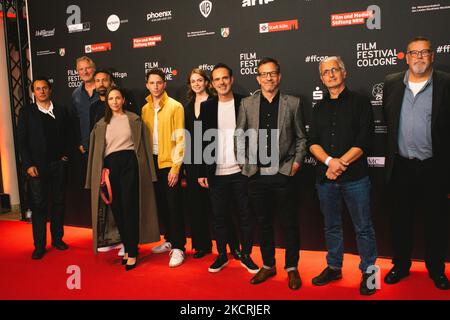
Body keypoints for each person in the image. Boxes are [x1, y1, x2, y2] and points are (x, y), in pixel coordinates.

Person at [383, 36, 450, 290]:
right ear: (406, 57)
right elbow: (389, 122)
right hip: (401, 167)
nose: (419, 57)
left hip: (434, 167)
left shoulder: (445, 83)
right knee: (401, 222)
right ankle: (401, 266)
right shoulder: (391, 83)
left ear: (432, 56)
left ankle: (436, 270)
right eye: (414, 53)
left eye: (424, 52)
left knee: (436, 223)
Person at [308, 56, 377, 295]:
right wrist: (329, 161)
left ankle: (370, 274)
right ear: (321, 78)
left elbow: (364, 139)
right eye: (326, 72)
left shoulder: (360, 102)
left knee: (364, 227)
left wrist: (340, 163)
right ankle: (334, 266)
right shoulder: (318, 108)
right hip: (326, 179)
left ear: (344, 73)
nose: (331, 75)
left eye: (335, 70)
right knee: (331, 226)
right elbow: (312, 143)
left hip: (356, 178)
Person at [236, 57, 307, 290]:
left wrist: (295, 164)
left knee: (289, 223)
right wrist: (244, 164)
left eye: (273, 73)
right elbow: (240, 137)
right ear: (258, 78)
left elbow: (301, 138)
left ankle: (291, 268)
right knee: (263, 222)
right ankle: (268, 265)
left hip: (283, 173)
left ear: (279, 77)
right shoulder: (247, 104)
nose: (269, 78)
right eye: (264, 74)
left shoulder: (293, 103)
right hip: (256, 176)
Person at [85, 87, 160, 271]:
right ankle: (127, 247)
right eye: (111, 98)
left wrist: (150, 172)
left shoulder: (133, 119)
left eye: (118, 98)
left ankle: (133, 250)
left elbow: (144, 147)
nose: (115, 101)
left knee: (130, 207)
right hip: (110, 168)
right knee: (117, 209)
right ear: (107, 102)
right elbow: (96, 153)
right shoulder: (101, 124)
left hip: (130, 165)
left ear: (123, 100)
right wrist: (99, 173)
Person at [198, 63, 259, 274]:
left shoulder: (245, 102)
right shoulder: (206, 106)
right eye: (217, 79)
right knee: (219, 216)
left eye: (225, 78)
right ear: (212, 83)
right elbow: (200, 139)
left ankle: (247, 255)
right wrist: (201, 172)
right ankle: (222, 255)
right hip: (217, 172)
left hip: (241, 171)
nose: (221, 82)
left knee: (245, 216)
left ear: (231, 79)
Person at [18, 77, 72, 259]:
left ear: (50, 90)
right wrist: (28, 165)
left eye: (44, 88)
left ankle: (57, 239)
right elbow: (22, 142)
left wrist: (65, 156)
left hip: (58, 165)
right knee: (39, 206)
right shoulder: (26, 112)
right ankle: (39, 245)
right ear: (34, 92)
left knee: (58, 204)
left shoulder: (61, 110)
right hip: (37, 168)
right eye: (38, 89)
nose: (41, 91)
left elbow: (68, 136)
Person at [141, 68, 187, 267]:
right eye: (152, 83)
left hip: (170, 163)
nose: (156, 86)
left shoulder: (176, 107)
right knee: (162, 205)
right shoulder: (145, 109)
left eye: (159, 82)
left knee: (175, 206)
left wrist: (176, 168)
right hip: (152, 163)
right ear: (147, 85)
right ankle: (169, 240)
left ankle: (179, 247)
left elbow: (181, 139)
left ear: (165, 84)